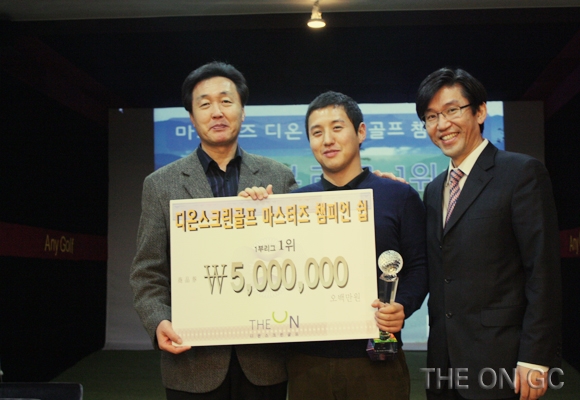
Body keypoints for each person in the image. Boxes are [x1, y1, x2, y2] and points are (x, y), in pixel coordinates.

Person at [129, 61, 298, 400]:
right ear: (192, 118)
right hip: (192, 363)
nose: (217, 112)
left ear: (242, 111)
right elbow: (147, 271)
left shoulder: (277, 177)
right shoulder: (160, 185)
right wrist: (159, 320)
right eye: (204, 104)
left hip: (264, 361)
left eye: (226, 101)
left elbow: (300, 253)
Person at [244, 91, 428, 399]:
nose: (327, 140)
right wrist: (251, 212)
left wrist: (403, 306)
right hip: (307, 362)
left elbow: (419, 266)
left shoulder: (399, 196)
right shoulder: (293, 205)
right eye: (317, 133)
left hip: (378, 358)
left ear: (361, 132)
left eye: (337, 127)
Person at [417, 68, 562, 400]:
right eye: (431, 116)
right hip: (443, 363)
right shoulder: (434, 189)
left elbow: (542, 271)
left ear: (480, 111)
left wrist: (535, 357)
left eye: (452, 110)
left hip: (502, 360)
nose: (442, 124)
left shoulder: (521, 173)